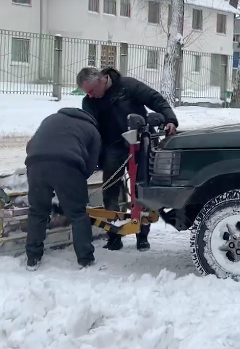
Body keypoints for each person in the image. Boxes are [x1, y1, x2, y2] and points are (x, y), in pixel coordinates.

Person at [76, 66, 179, 252]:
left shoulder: (127, 86)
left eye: (91, 90)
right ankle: (114, 236)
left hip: (140, 143)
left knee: (141, 190)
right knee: (110, 191)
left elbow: (155, 99)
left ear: (101, 80)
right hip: (112, 148)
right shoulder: (89, 102)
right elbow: (89, 129)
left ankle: (142, 235)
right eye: (86, 93)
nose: (89, 95)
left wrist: (170, 119)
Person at [24, 108, 101, 271]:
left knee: (37, 212)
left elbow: (30, 145)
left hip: (35, 164)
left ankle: (32, 259)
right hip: (68, 165)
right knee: (78, 214)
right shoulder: (93, 130)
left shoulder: (51, 118)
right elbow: (91, 164)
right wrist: (76, 184)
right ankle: (85, 259)